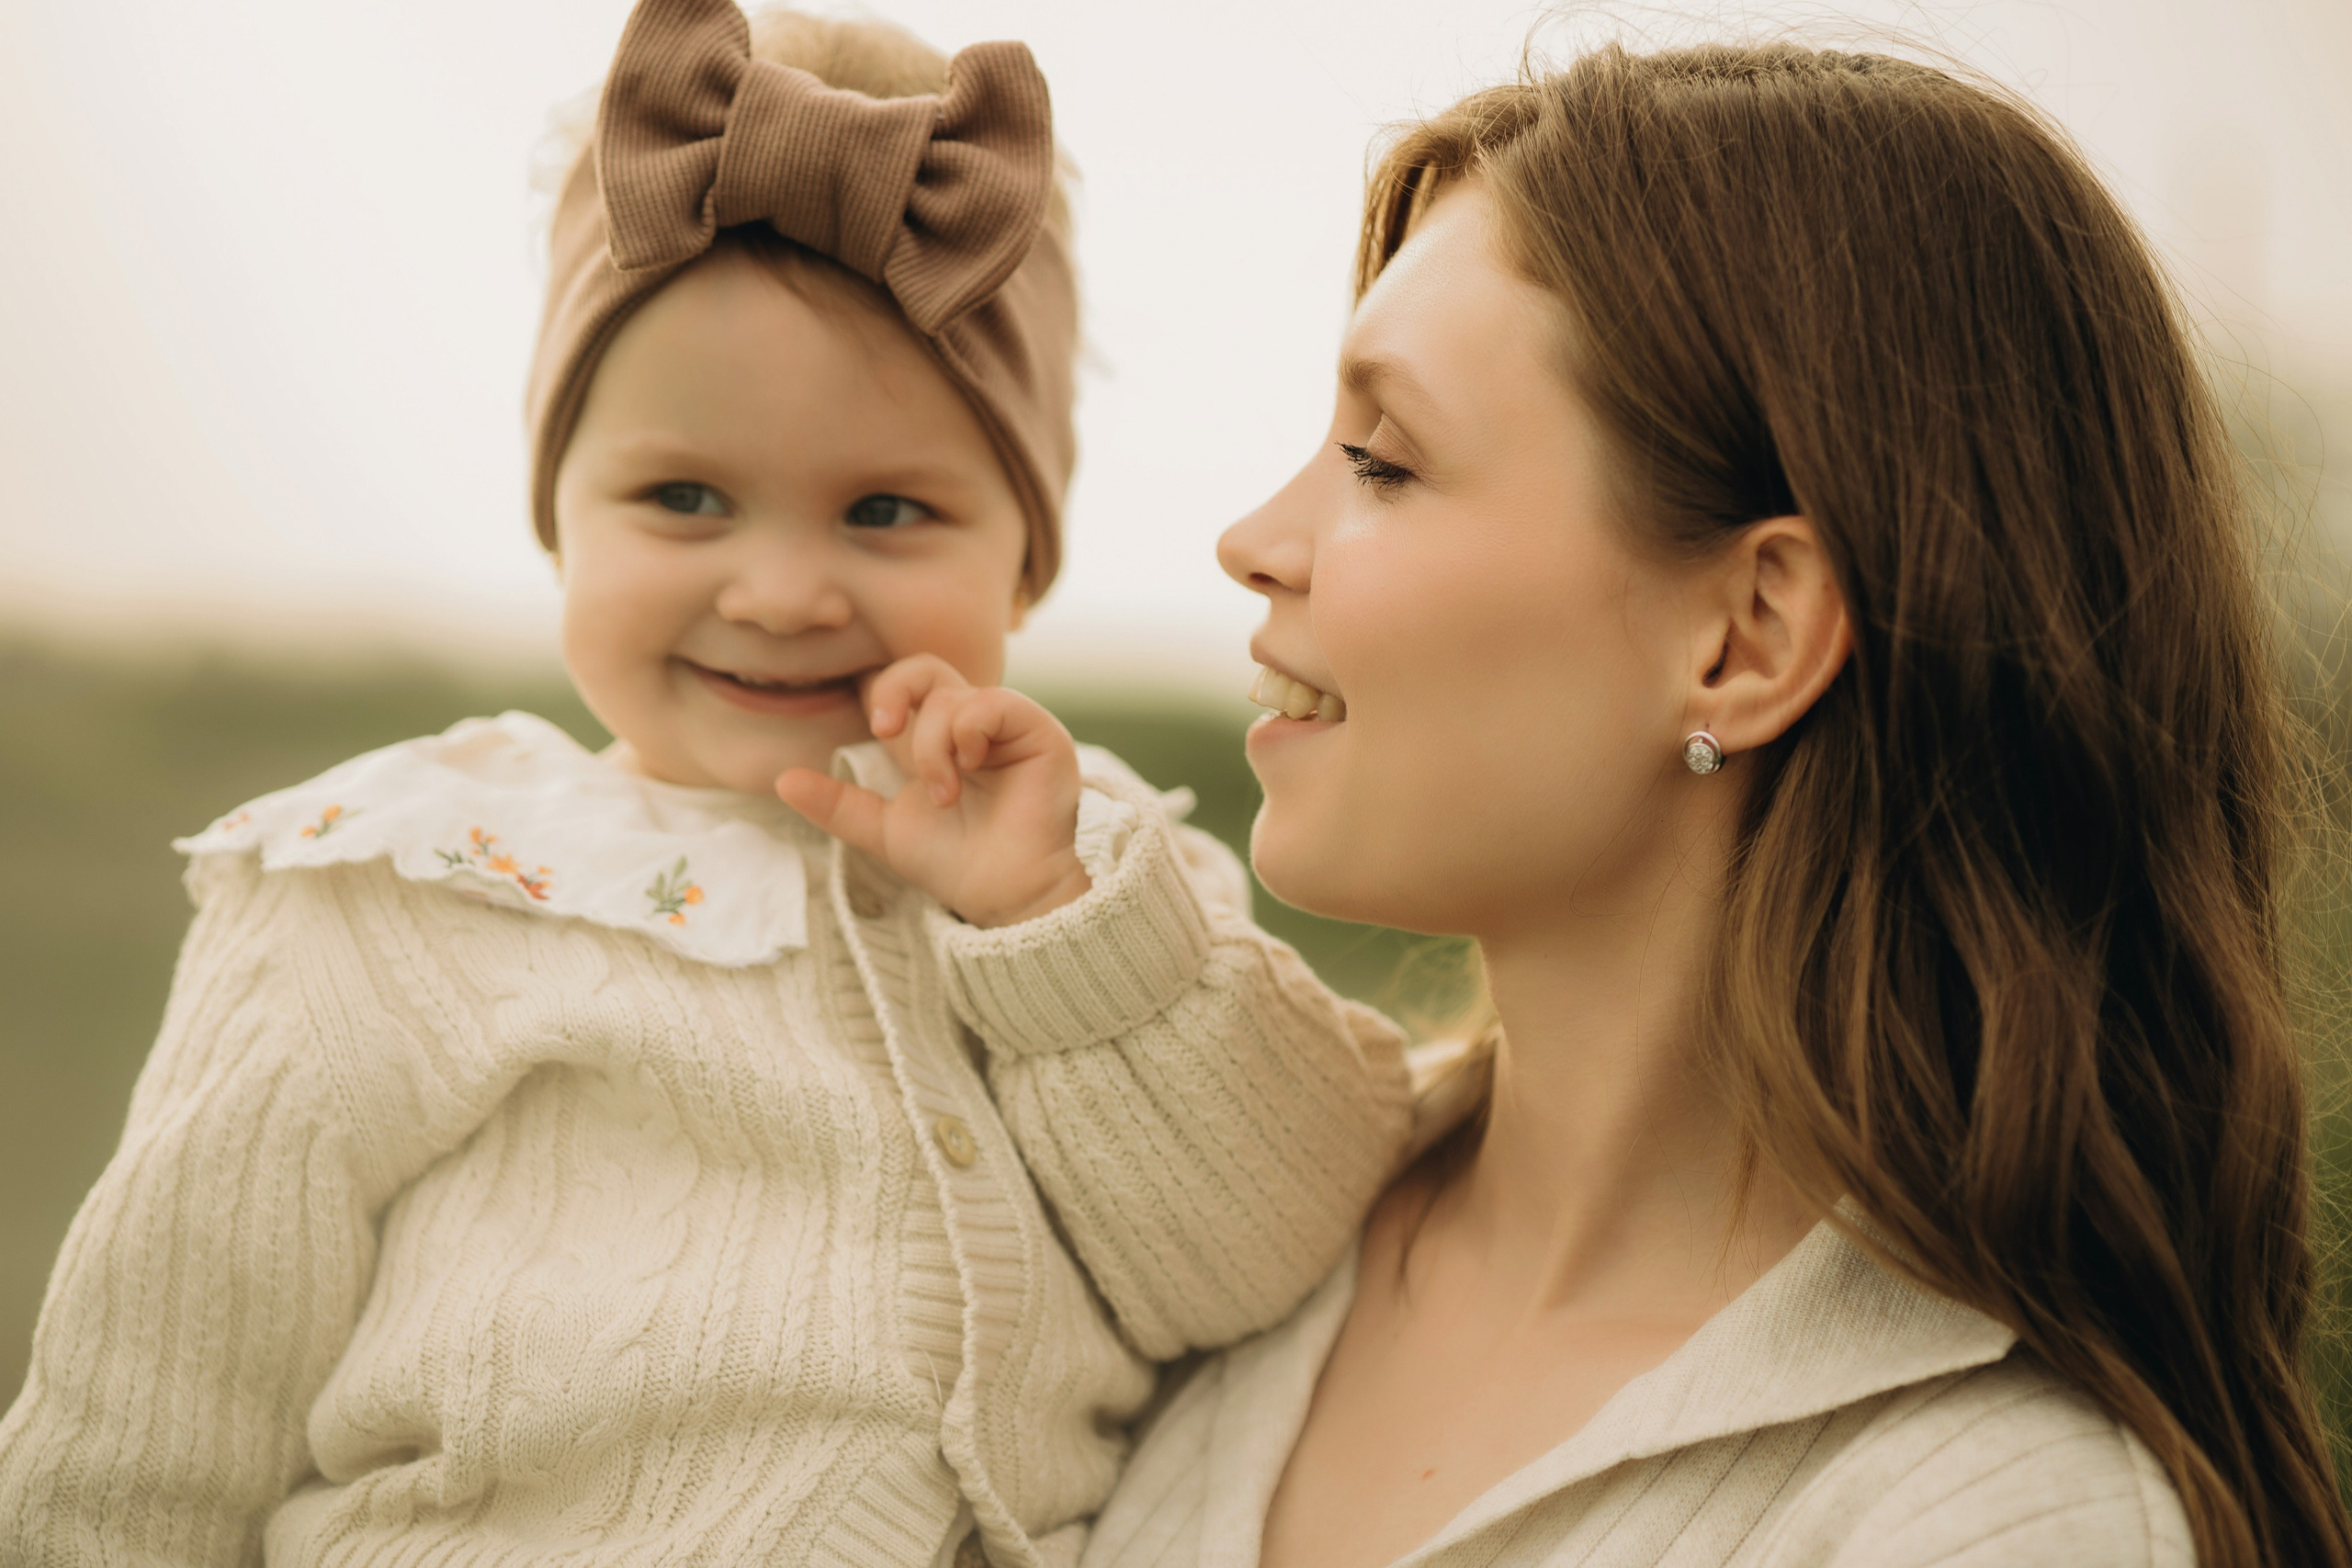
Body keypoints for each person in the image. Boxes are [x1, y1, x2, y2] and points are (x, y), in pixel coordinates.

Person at [0, 2, 1410, 1562]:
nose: (785, 590)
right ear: (562, 523)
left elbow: (1267, 1256)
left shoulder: (1094, 874)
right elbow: (142, 1422)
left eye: (886, 510)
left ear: (1025, 561)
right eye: (684, 498)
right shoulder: (394, 888)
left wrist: (1049, 925)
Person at [1085, 40, 2352, 1568]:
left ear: (1746, 636)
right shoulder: (1192, 1224)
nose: (1253, 539)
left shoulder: (1997, 1523)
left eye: (1384, 460)